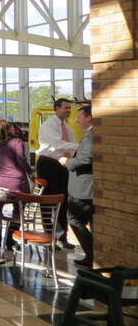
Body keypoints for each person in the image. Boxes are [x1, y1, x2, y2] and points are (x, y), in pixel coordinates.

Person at [36, 98, 78, 249]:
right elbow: (57, 144)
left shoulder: (69, 128)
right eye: (65, 108)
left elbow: (70, 149)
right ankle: (49, 236)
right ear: (56, 108)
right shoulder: (48, 126)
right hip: (48, 164)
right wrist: (80, 146)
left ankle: (62, 236)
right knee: (48, 200)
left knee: (63, 200)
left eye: (69, 108)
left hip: (63, 165)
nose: (68, 111)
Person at [0, 119, 31, 252]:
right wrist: (29, 171)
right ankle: (10, 239)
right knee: (18, 211)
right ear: (9, 129)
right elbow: (21, 160)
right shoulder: (16, 142)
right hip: (17, 183)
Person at [60, 106, 94, 267]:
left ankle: (92, 254)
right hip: (87, 189)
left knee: (74, 220)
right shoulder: (91, 134)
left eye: (79, 117)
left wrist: (68, 162)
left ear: (89, 117)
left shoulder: (90, 136)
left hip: (83, 190)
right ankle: (92, 256)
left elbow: (85, 159)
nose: (77, 120)